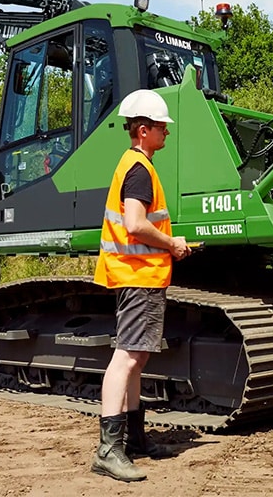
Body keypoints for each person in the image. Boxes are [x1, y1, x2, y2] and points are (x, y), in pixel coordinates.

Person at [91, 89, 192, 482]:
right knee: (127, 358)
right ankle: (108, 450)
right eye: (162, 126)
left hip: (140, 275)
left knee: (138, 357)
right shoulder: (139, 170)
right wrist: (172, 243)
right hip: (138, 275)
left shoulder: (136, 165)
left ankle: (133, 439)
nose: (167, 132)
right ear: (144, 130)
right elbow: (134, 224)